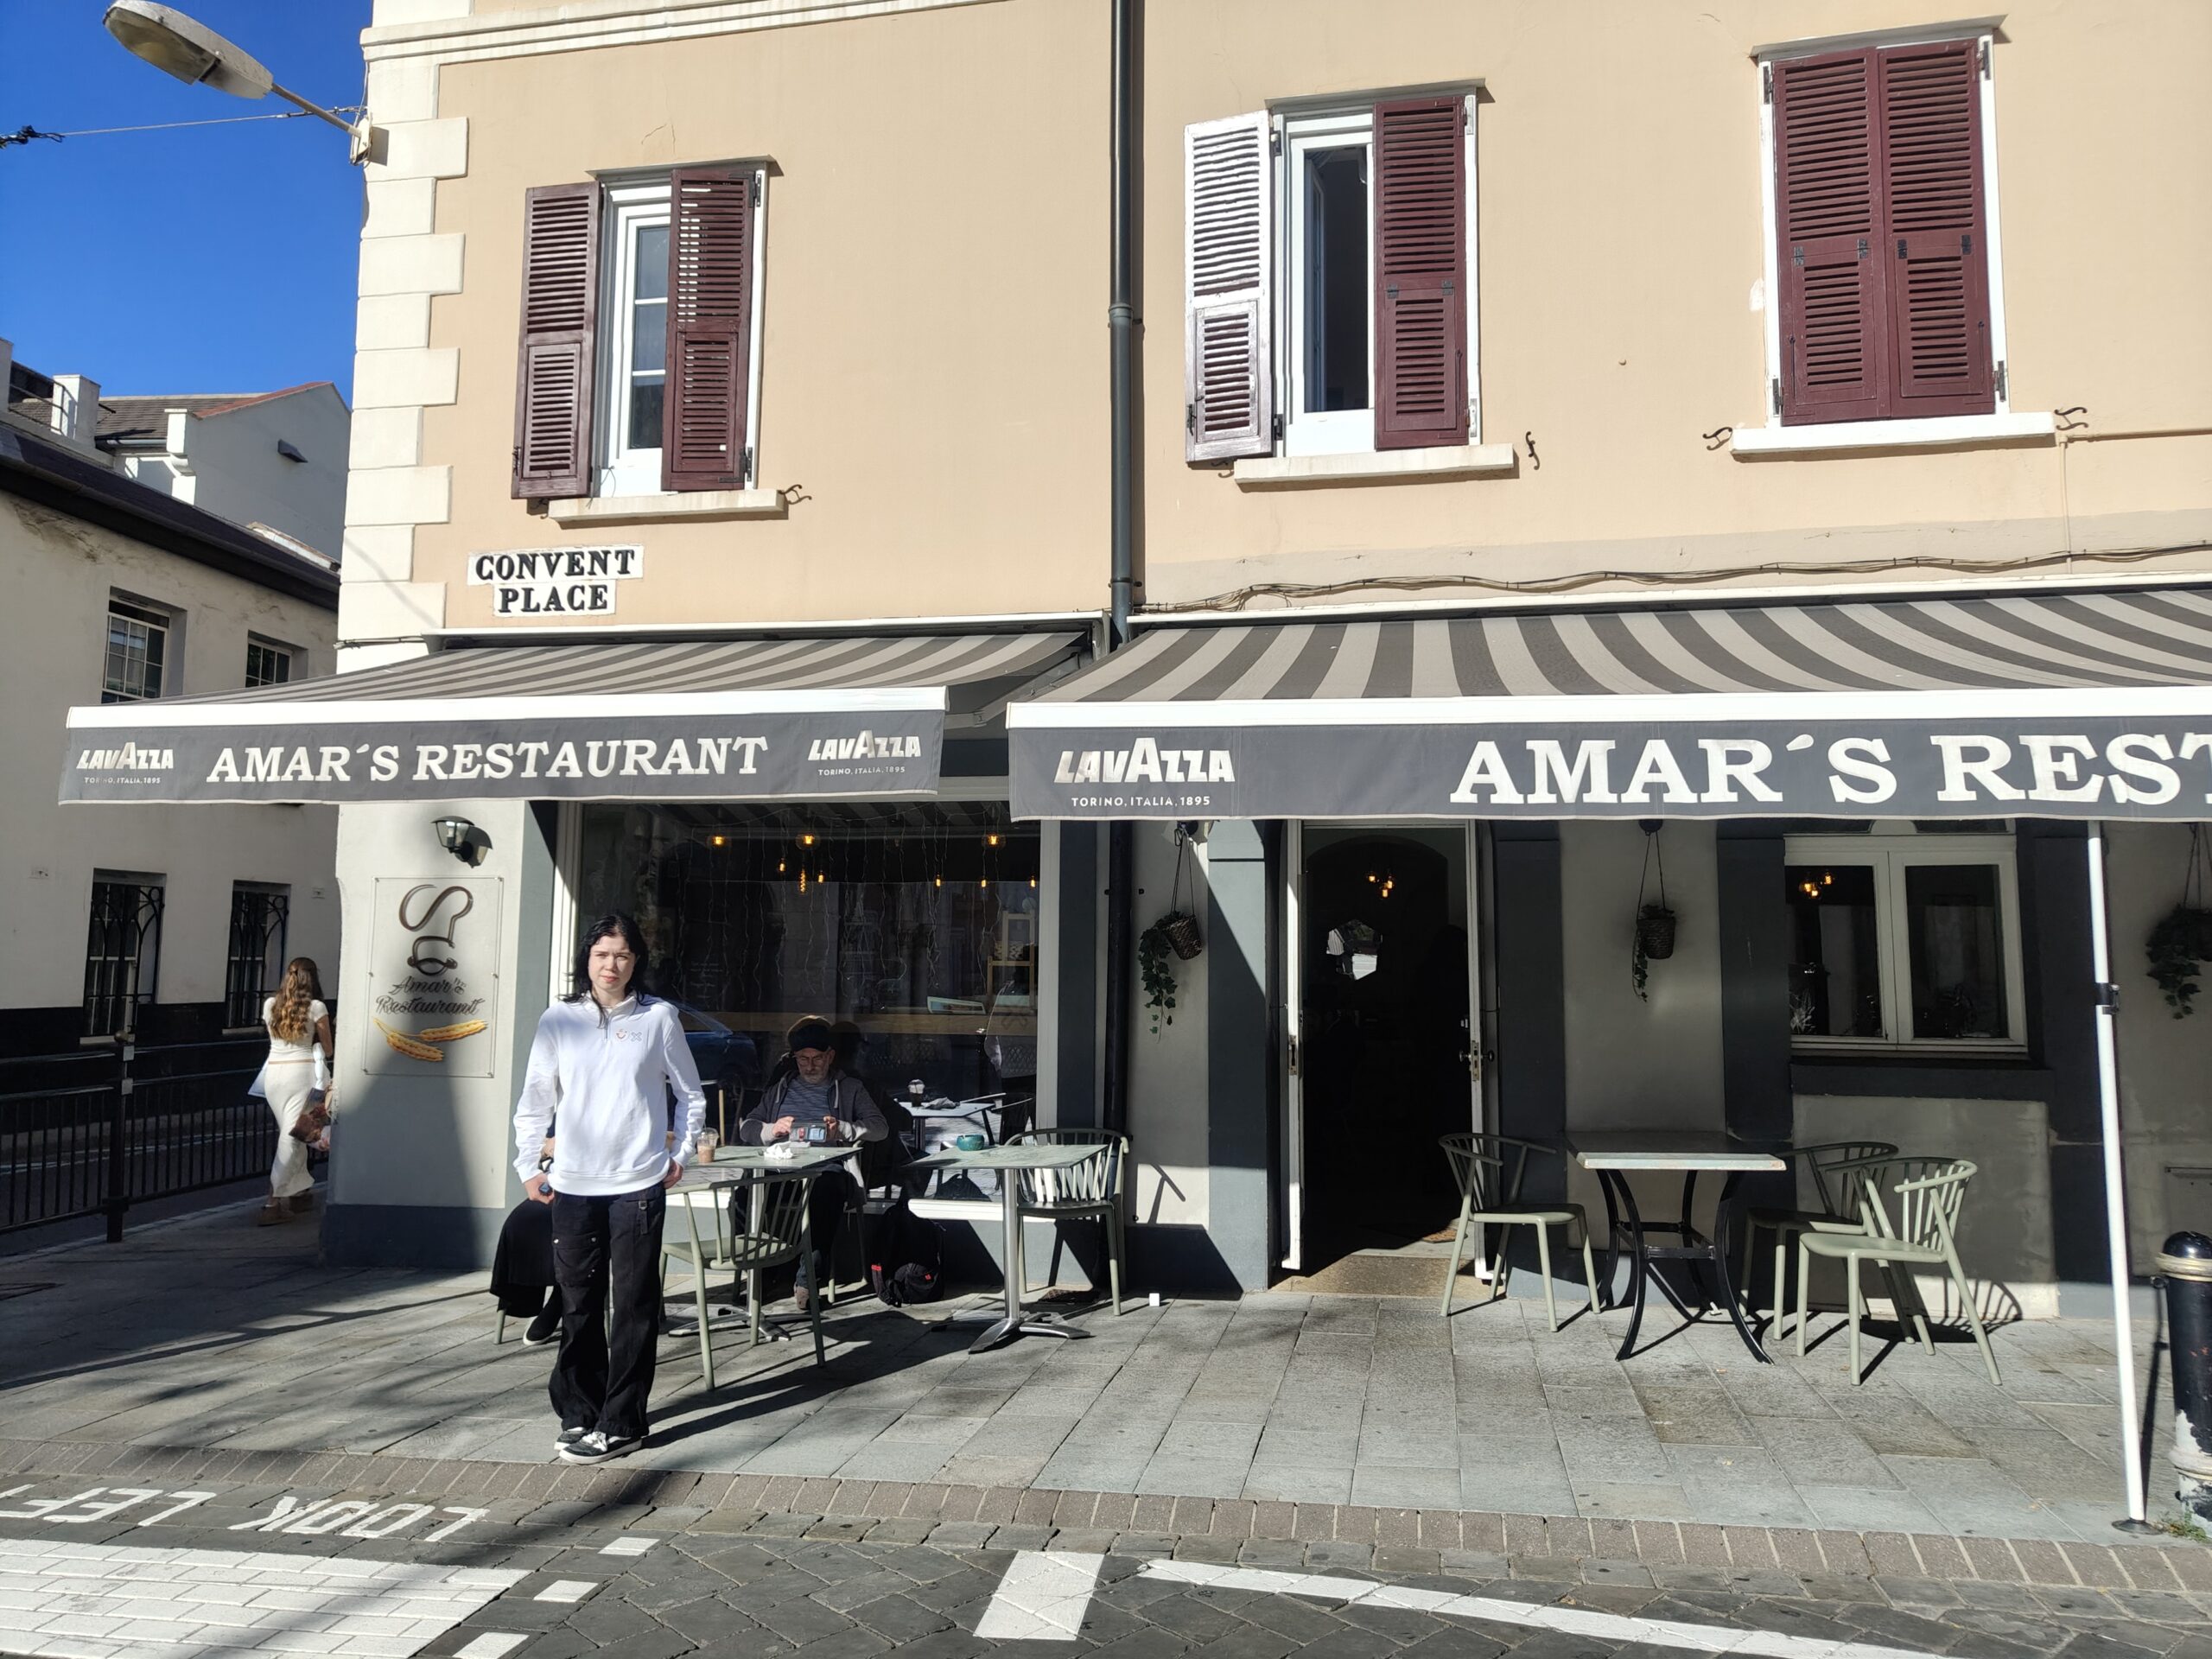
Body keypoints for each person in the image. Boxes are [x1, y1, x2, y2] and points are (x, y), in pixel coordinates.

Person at [513, 914, 704, 1465]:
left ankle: (623, 1422)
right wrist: (528, 1165)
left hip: (637, 1182)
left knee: (635, 1306)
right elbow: (536, 1098)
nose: (611, 965)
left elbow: (691, 1095)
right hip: (573, 1184)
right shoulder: (559, 1019)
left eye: (622, 955)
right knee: (578, 1302)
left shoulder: (658, 1018)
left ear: (636, 960)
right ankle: (579, 1410)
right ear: (587, 959)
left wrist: (680, 1155)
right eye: (602, 954)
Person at [736, 1015, 890, 1310]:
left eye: (817, 1058)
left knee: (827, 1192)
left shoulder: (850, 1088)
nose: (809, 1066)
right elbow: (748, 1128)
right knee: (743, 1195)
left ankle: (808, 1280)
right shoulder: (780, 1089)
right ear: (794, 1058)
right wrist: (772, 1129)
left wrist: (842, 1129)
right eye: (802, 1059)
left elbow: (880, 1128)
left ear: (830, 1056)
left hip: (825, 1168)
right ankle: (761, 1274)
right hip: (782, 1167)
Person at [257, 958, 333, 1227]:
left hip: (273, 1075)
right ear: (312, 978)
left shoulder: (270, 1004)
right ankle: (272, 1202)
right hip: (301, 1073)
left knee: (293, 1133)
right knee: (292, 1137)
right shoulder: (316, 1007)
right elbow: (328, 1049)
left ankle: (298, 1193)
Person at [489, 1135, 560, 1344]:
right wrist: (547, 1148)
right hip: (556, 1181)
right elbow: (536, 1140)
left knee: (580, 1224)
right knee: (522, 1223)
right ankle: (524, 1302)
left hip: (605, 1184)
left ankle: (561, 1298)